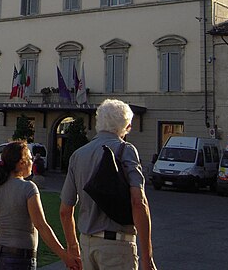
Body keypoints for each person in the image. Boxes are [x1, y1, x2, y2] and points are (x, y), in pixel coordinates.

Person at [59, 99, 157, 270]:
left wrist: (73, 248)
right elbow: (138, 202)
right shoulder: (126, 150)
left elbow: (65, 212)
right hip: (117, 245)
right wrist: (147, 258)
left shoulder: (78, 155)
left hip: (87, 243)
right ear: (125, 126)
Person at [0, 140, 77, 270]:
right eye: (30, 158)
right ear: (21, 163)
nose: (32, 162)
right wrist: (64, 256)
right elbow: (41, 225)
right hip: (21, 257)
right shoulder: (28, 188)